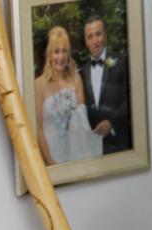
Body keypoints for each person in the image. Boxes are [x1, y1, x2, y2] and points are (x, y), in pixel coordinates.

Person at [35, 26, 101, 165]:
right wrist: (49, 161)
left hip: (75, 155)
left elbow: (83, 122)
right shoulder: (39, 85)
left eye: (64, 51)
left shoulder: (76, 79)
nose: (61, 57)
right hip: (51, 157)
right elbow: (38, 127)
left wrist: (97, 134)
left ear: (69, 54)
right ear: (49, 55)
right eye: (56, 52)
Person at [79, 15, 131, 155]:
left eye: (98, 34)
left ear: (105, 35)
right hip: (93, 147)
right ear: (86, 41)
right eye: (90, 37)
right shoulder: (82, 73)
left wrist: (111, 123)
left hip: (120, 144)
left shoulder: (121, 62)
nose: (95, 41)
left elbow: (130, 100)